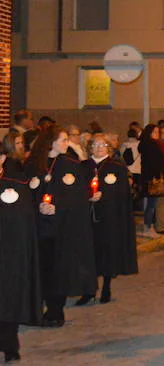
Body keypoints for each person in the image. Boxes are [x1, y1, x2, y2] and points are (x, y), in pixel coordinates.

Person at [30, 126, 99, 326]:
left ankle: (55, 311)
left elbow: (77, 196)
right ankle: (36, 309)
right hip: (39, 227)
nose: (66, 143)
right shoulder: (35, 165)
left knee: (57, 269)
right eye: (62, 140)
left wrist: (57, 208)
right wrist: (39, 206)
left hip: (61, 228)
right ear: (50, 142)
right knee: (41, 270)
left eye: (67, 139)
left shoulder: (69, 164)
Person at [0, 132, 42, 363]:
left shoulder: (15, 184)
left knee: (8, 300)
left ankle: (9, 345)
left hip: (8, 253)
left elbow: (25, 218)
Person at [84, 134, 137, 304]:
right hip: (87, 218)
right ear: (90, 148)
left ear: (109, 147)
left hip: (109, 218)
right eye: (95, 145)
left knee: (107, 252)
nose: (99, 148)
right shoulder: (83, 167)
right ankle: (89, 289)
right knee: (89, 253)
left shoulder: (116, 167)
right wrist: (87, 195)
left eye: (103, 144)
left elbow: (123, 194)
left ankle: (106, 286)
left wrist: (104, 195)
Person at [139, 124, 164, 237]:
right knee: (151, 204)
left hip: (153, 176)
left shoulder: (152, 144)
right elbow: (156, 162)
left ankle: (152, 226)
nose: (157, 134)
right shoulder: (151, 145)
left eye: (157, 132)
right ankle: (148, 227)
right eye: (154, 132)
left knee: (153, 204)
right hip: (154, 178)